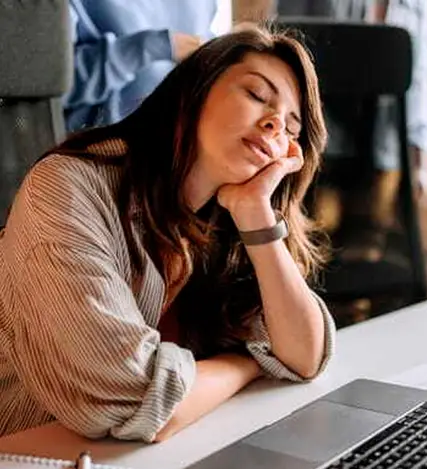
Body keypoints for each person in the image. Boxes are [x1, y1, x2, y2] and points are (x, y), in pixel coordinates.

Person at [0, 25, 336, 442]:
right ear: (193, 93)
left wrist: (256, 215)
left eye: (291, 127)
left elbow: (305, 355)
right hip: (26, 466)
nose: (273, 125)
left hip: (134, 464)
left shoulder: (227, 219)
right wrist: (246, 363)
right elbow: (134, 395)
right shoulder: (66, 189)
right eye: (256, 95)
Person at [275, 0, 427, 259]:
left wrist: (422, 161)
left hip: (385, 144)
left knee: (369, 249)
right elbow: (286, 49)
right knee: (315, 246)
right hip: (321, 143)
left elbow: (421, 73)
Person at [64, 0, 231, 131]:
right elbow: (54, 84)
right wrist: (150, 47)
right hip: (100, 156)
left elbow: (200, 39)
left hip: (184, 152)